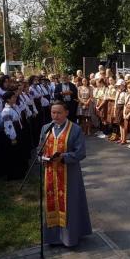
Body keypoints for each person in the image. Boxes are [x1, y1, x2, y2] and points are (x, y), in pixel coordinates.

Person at [40, 101, 92, 247]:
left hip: (69, 174)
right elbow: (40, 147)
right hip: (50, 173)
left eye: (58, 113)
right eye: (52, 112)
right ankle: (53, 238)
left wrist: (64, 157)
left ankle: (70, 238)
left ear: (66, 113)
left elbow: (80, 152)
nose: (55, 116)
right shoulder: (46, 128)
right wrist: (42, 158)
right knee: (52, 203)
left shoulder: (75, 129)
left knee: (70, 204)